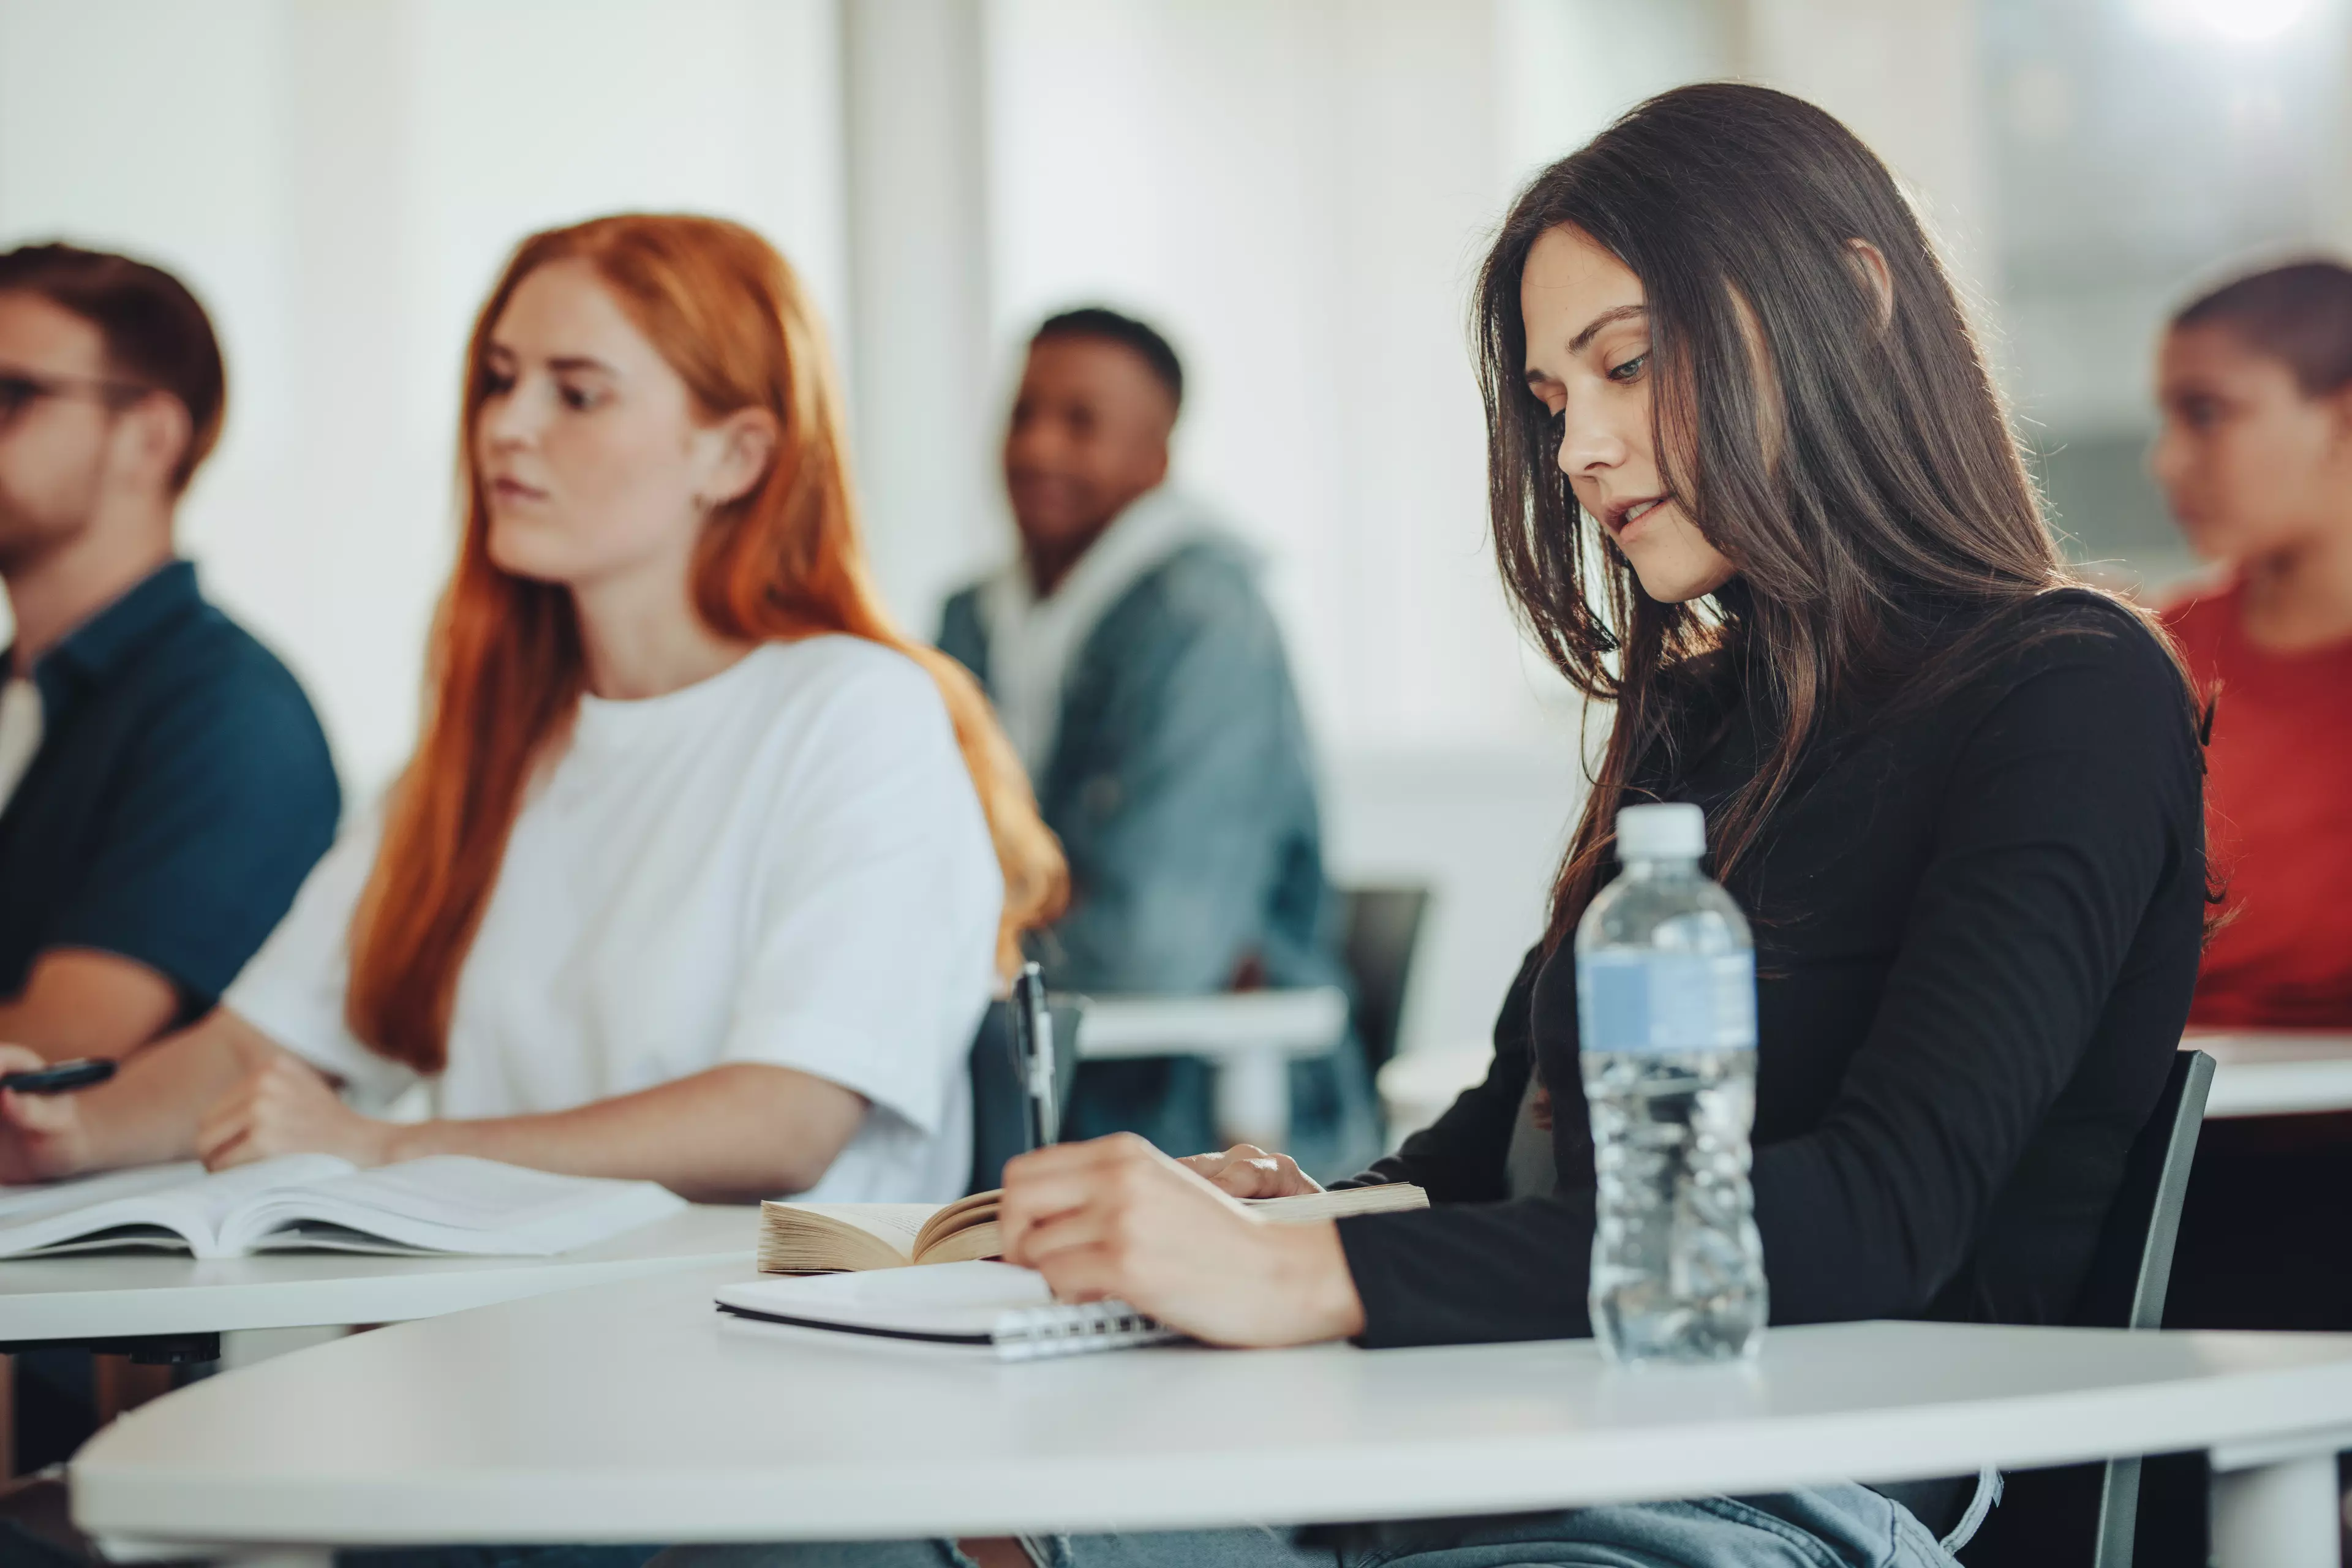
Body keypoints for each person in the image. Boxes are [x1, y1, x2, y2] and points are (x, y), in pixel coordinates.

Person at [667, 81, 2206, 1568]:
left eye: (1626, 363)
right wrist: (1292, 1205)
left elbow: (1883, 1214)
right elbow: (1497, 1148)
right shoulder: (1700, 708)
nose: (1579, 448)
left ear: (1853, 304)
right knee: (798, 1533)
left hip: (1786, 1498)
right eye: (1552, 400)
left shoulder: (2068, 687)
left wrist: (1306, 1269)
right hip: (1514, 1440)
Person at [0, 214, 1066, 1207]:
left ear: (734, 455)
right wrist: (68, 1130)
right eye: (500, 381)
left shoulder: (854, 712)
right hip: (496, 1354)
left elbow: (781, 1119)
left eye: (577, 392)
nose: (506, 426)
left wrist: (384, 1149)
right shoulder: (483, 752)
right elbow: (253, 1051)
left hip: (780, 1367)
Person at [939, 307, 1372, 1176]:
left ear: (1157, 457)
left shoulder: (1205, 617)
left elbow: (1154, 945)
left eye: (1081, 422)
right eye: (1023, 414)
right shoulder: (971, 619)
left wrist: (967, 925)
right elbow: (905, 877)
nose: (1038, 449)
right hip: (1019, 1095)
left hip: (1201, 1123)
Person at [0, 243, 338, 1063]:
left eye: (11, 396)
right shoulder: (24, 691)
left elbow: (60, 1049)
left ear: (150, 438)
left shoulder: (230, 715)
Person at [2153, 260, 2352, 1029]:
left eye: (2204, 413)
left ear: (2341, 423)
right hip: (2184, 1130)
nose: (2164, 461)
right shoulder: (2155, 660)